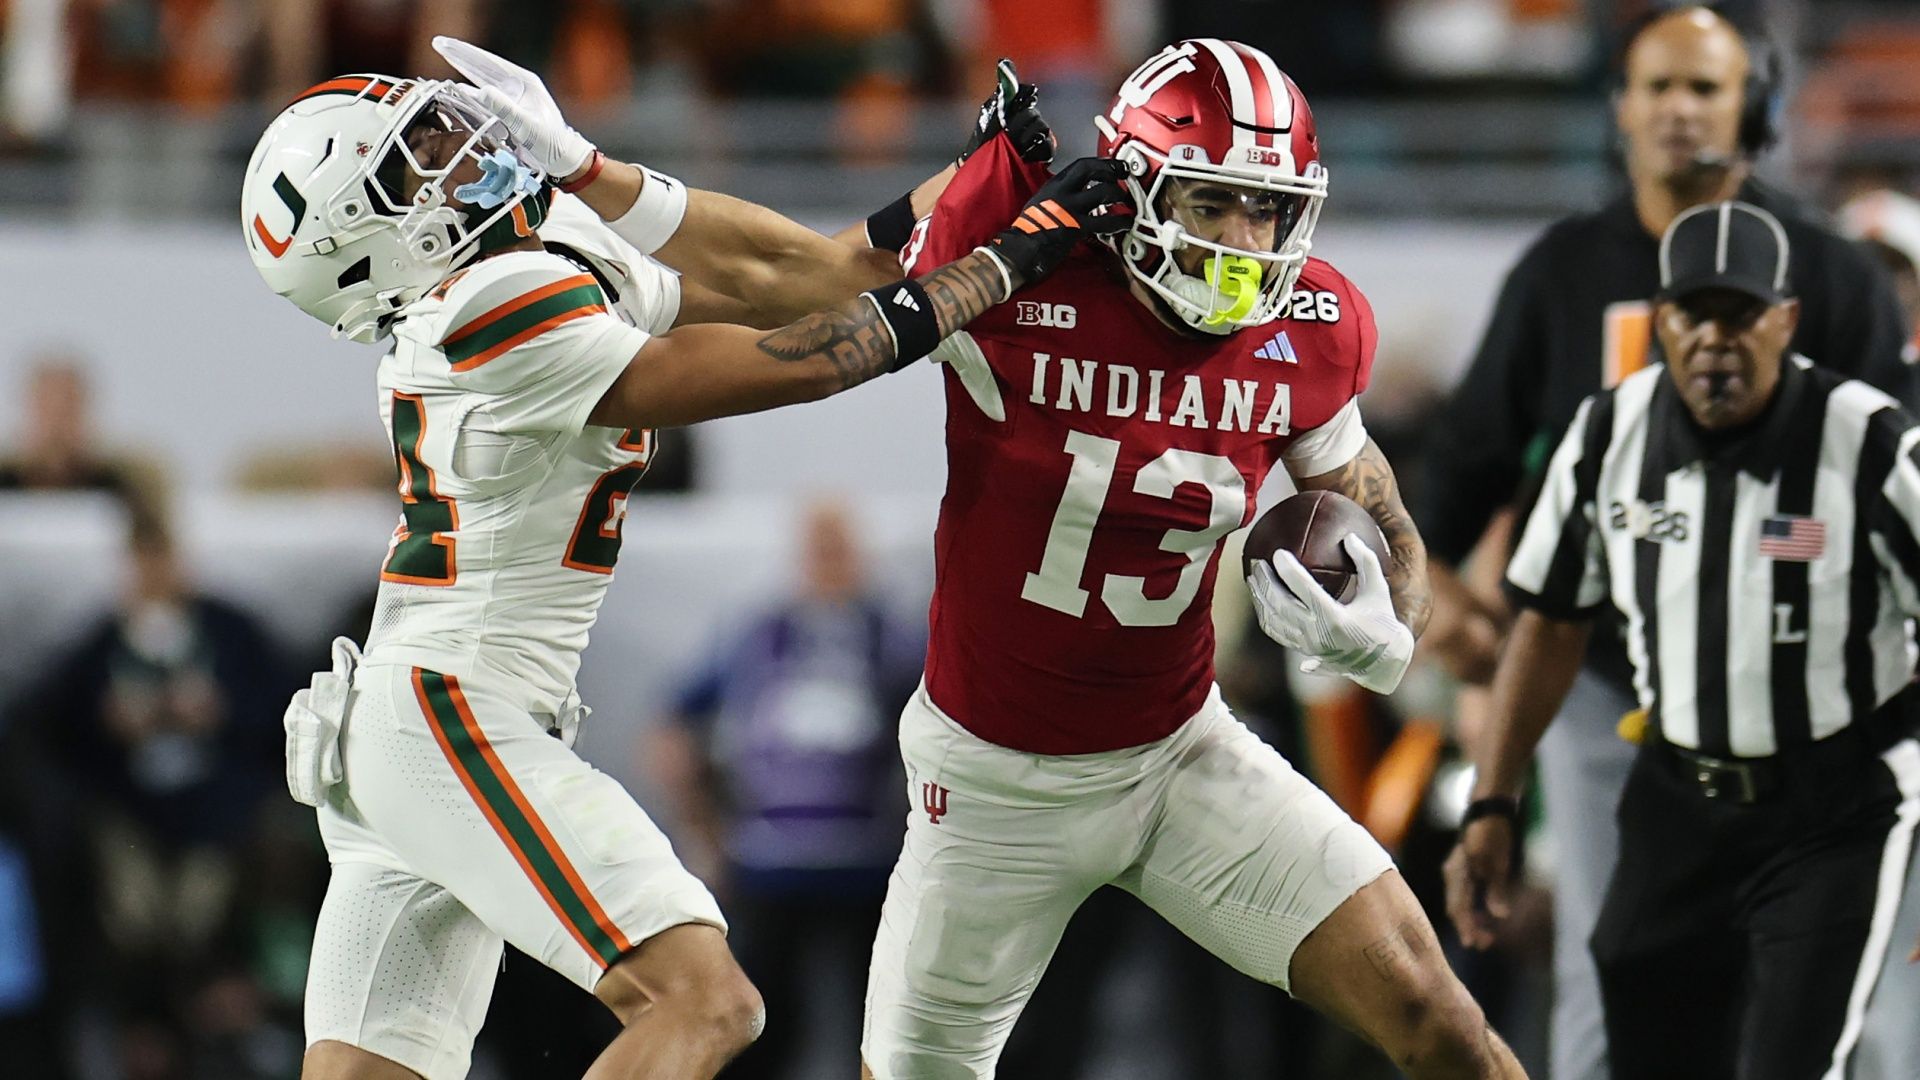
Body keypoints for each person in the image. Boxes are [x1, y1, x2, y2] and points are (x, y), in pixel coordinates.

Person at [242, 54, 1126, 1080]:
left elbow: (789, 277)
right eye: (419, 165)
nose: (459, 154)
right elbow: (800, 361)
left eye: (437, 134)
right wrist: (1006, 263)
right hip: (453, 712)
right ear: (370, 250)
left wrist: (964, 184)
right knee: (704, 1001)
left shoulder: (523, 261)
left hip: (417, 720)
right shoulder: (481, 311)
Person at [1413, 10, 1913, 1077]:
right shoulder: (1563, 283)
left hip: (1826, 720)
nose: (1681, 110)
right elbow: (1460, 496)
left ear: (1756, 109)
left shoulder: (1838, 293)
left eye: (1706, 87)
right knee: (1615, 993)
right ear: (1622, 109)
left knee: (1840, 1019)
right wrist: (1441, 605)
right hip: (1613, 698)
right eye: (1658, 87)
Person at [647, 499, 924, 1079]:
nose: (831, 562)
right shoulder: (757, 634)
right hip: (769, 866)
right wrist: (704, 834)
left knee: (881, 1029)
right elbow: (672, 735)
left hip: (868, 868)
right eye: (819, 548)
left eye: (840, 547)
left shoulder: (894, 637)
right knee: (755, 1030)